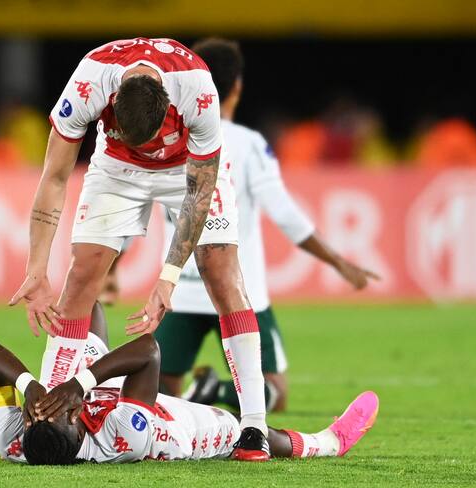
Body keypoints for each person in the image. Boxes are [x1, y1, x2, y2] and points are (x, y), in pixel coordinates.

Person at [8, 38, 274, 459]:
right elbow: (54, 177)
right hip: (117, 168)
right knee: (81, 275)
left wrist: (167, 276)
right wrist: (37, 269)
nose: (145, 149)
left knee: (221, 272)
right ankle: (48, 414)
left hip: (185, 167)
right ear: (110, 105)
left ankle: (254, 425)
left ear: (170, 109)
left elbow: (199, 194)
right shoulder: (87, 82)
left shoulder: (198, 89)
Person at [155, 39, 380, 412]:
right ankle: (215, 394)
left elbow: (137, 201)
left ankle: (194, 410)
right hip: (240, 290)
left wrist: (115, 266)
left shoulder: (168, 140)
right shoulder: (248, 144)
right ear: (238, 86)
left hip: (183, 289)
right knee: (274, 392)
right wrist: (339, 263)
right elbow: (287, 215)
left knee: (161, 391)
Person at [0, 303, 379, 465]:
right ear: (76, 419)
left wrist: (29, 386)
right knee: (250, 435)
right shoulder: (122, 438)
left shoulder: (12, 440)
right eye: (57, 411)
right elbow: (149, 351)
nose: (48, 407)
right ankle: (329, 442)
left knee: (82, 304)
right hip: (174, 428)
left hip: (104, 396)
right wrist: (80, 383)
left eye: (36, 415)